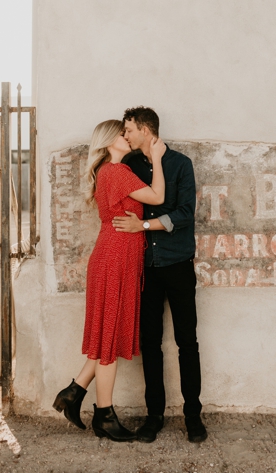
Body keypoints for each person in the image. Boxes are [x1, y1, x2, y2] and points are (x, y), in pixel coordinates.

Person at [52, 119, 166, 441]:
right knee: (109, 344)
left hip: (114, 258)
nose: (127, 137)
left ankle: (72, 395)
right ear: (108, 142)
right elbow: (157, 197)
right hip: (115, 260)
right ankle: (104, 416)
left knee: (106, 337)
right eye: (122, 133)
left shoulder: (108, 171)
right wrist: (157, 157)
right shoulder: (116, 172)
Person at [110, 107, 205, 443]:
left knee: (187, 342)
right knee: (149, 344)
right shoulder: (130, 166)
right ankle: (154, 417)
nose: (127, 135)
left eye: (130, 130)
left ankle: (193, 415)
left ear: (147, 130)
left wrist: (145, 225)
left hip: (178, 264)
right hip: (145, 268)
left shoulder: (181, 164)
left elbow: (184, 213)